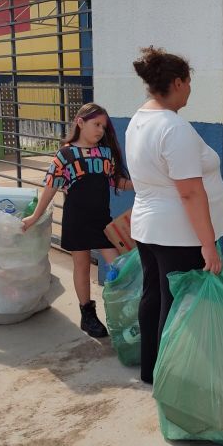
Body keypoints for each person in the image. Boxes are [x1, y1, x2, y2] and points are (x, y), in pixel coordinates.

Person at [125, 46, 223, 385]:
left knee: (154, 295)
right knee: (178, 304)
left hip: (149, 225)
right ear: (178, 82)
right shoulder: (173, 127)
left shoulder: (139, 120)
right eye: (189, 82)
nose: (190, 89)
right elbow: (189, 191)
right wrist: (208, 244)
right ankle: (175, 376)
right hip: (178, 231)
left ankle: (152, 370)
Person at [21, 103, 133, 339]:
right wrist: (35, 216)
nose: (101, 130)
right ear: (80, 123)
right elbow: (51, 187)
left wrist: (145, 185)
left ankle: (124, 310)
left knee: (119, 267)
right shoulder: (65, 154)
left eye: (104, 126)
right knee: (81, 266)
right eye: (96, 124)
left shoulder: (106, 153)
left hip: (102, 222)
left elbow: (117, 182)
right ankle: (87, 314)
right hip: (77, 220)